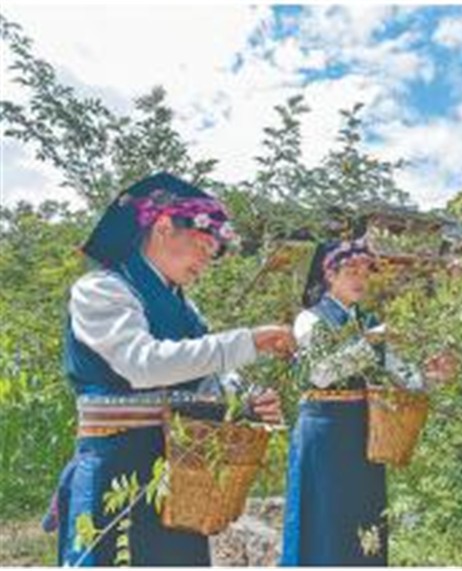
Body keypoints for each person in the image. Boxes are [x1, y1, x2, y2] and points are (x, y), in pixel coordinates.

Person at [50, 172, 296, 566]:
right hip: (115, 467)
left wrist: (245, 400)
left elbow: (207, 376)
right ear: (164, 227)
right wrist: (248, 342)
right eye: (202, 244)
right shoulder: (102, 289)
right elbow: (143, 364)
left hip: (183, 476)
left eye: (212, 252)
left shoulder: (187, 309)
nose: (206, 260)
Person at [280, 238, 458, 566]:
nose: (361, 279)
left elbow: (406, 379)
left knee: (364, 518)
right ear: (330, 275)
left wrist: (433, 376)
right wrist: (371, 340)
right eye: (351, 271)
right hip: (323, 433)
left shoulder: (369, 321)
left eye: (365, 272)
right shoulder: (310, 319)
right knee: (324, 519)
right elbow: (320, 373)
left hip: (365, 434)